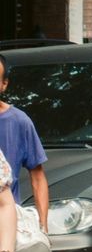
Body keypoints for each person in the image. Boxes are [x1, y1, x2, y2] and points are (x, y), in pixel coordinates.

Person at [0, 54, 48, 237]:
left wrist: (43, 229)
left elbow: (38, 177)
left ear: (4, 84)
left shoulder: (19, 121)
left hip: (5, 223)